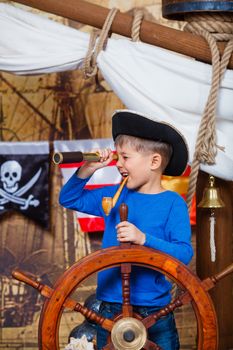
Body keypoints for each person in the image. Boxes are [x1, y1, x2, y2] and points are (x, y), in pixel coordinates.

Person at [59, 110, 193, 350]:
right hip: (110, 308)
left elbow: (184, 255)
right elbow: (69, 199)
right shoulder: (113, 195)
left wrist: (143, 239)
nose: (117, 164)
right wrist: (88, 169)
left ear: (154, 161)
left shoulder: (173, 203)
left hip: (156, 311)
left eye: (125, 157)